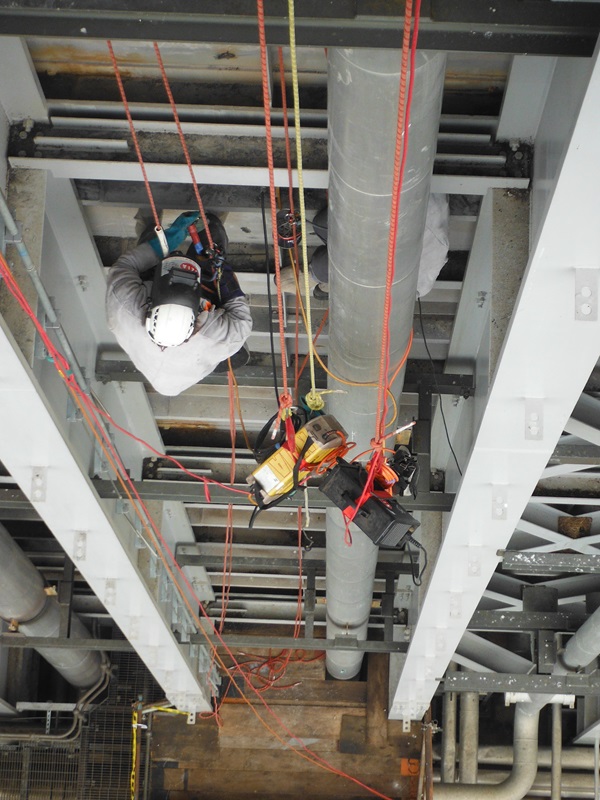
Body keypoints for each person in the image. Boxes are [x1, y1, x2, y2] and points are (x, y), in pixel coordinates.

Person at [106, 211, 252, 396]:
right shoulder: (215, 336)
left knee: (150, 242)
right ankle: (212, 214)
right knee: (212, 238)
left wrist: (163, 241)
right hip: (193, 360)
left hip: (151, 346)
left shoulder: (125, 305)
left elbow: (125, 265)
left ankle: (149, 217)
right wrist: (223, 273)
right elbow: (241, 319)